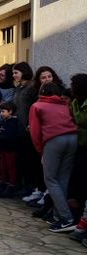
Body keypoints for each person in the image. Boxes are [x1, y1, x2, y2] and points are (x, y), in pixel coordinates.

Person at [29, 82, 78, 232]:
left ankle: (67, 218)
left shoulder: (37, 106)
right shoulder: (64, 104)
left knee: (50, 178)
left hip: (53, 140)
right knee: (63, 178)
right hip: (73, 137)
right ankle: (58, 216)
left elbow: (35, 132)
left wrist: (40, 150)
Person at [22, 66, 64, 204]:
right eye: (43, 77)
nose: (47, 80)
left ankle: (48, 194)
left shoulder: (62, 94)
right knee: (37, 164)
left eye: (49, 76)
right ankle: (39, 189)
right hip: (37, 134)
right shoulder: (34, 94)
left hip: (53, 136)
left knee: (51, 169)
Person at [12, 62, 42, 197]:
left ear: (24, 72)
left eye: (16, 73)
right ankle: (23, 185)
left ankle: (32, 187)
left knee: (30, 160)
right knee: (22, 159)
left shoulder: (31, 87)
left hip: (29, 129)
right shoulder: (19, 87)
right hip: (19, 128)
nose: (14, 75)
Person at [69, 73, 87, 245]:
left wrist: (77, 125)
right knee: (77, 181)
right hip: (80, 145)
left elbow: (81, 120)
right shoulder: (75, 102)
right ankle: (78, 219)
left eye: (73, 84)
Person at [0, 102, 19, 198]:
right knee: (2, 168)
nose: (1, 113)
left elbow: (11, 136)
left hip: (10, 150)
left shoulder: (14, 122)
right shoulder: (4, 121)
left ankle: (11, 187)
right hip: (3, 149)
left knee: (11, 168)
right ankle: (3, 184)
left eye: (3, 111)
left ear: (10, 112)